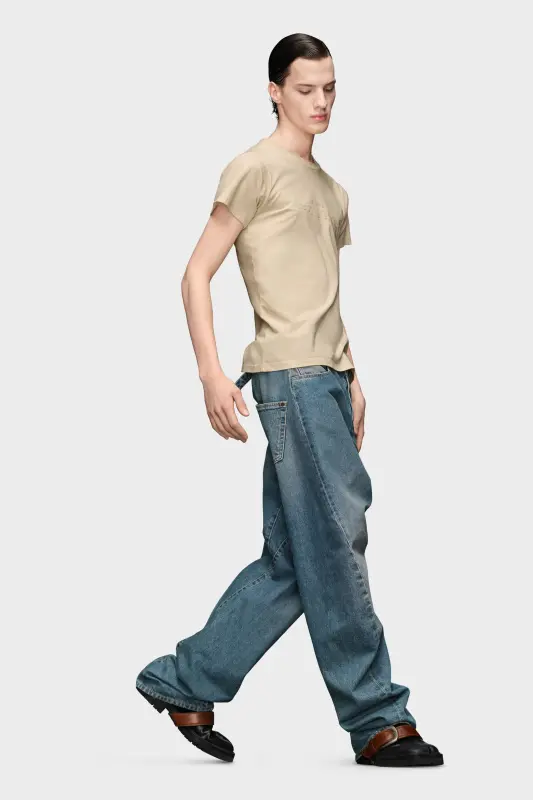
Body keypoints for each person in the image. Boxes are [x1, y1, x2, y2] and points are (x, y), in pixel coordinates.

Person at [136, 32, 444, 768]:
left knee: (293, 558)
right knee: (337, 541)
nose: (321, 102)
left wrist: (353, 376)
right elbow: (195, 272)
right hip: (291, 378)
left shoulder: (332, 191)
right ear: (274, 91)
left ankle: (185, 681)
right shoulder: (252, 169)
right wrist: (211, 374)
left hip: (326, 377)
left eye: (330, 88)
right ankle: (376, 717)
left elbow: (321, 293)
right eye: (305, 89)